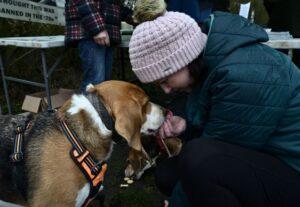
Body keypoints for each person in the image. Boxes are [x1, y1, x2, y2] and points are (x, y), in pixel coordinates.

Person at [129, 0, 300, 206]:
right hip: (270, 157)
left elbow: (212, 155)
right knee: (168, 173)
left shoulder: (242, 76)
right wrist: (186, 127)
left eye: (165, 80)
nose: (166, 89)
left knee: (197, 158)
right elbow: (221, 133)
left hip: (292, 169)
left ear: (185, 59)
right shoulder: (212, 62)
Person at [65, 0, 133, 92]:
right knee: (94, 83)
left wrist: (139, 17)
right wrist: (97, 29)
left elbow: (113, 5)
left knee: (104, 84)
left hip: (106, 34)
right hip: (90, 33)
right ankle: (84, 106)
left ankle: (96, 106)